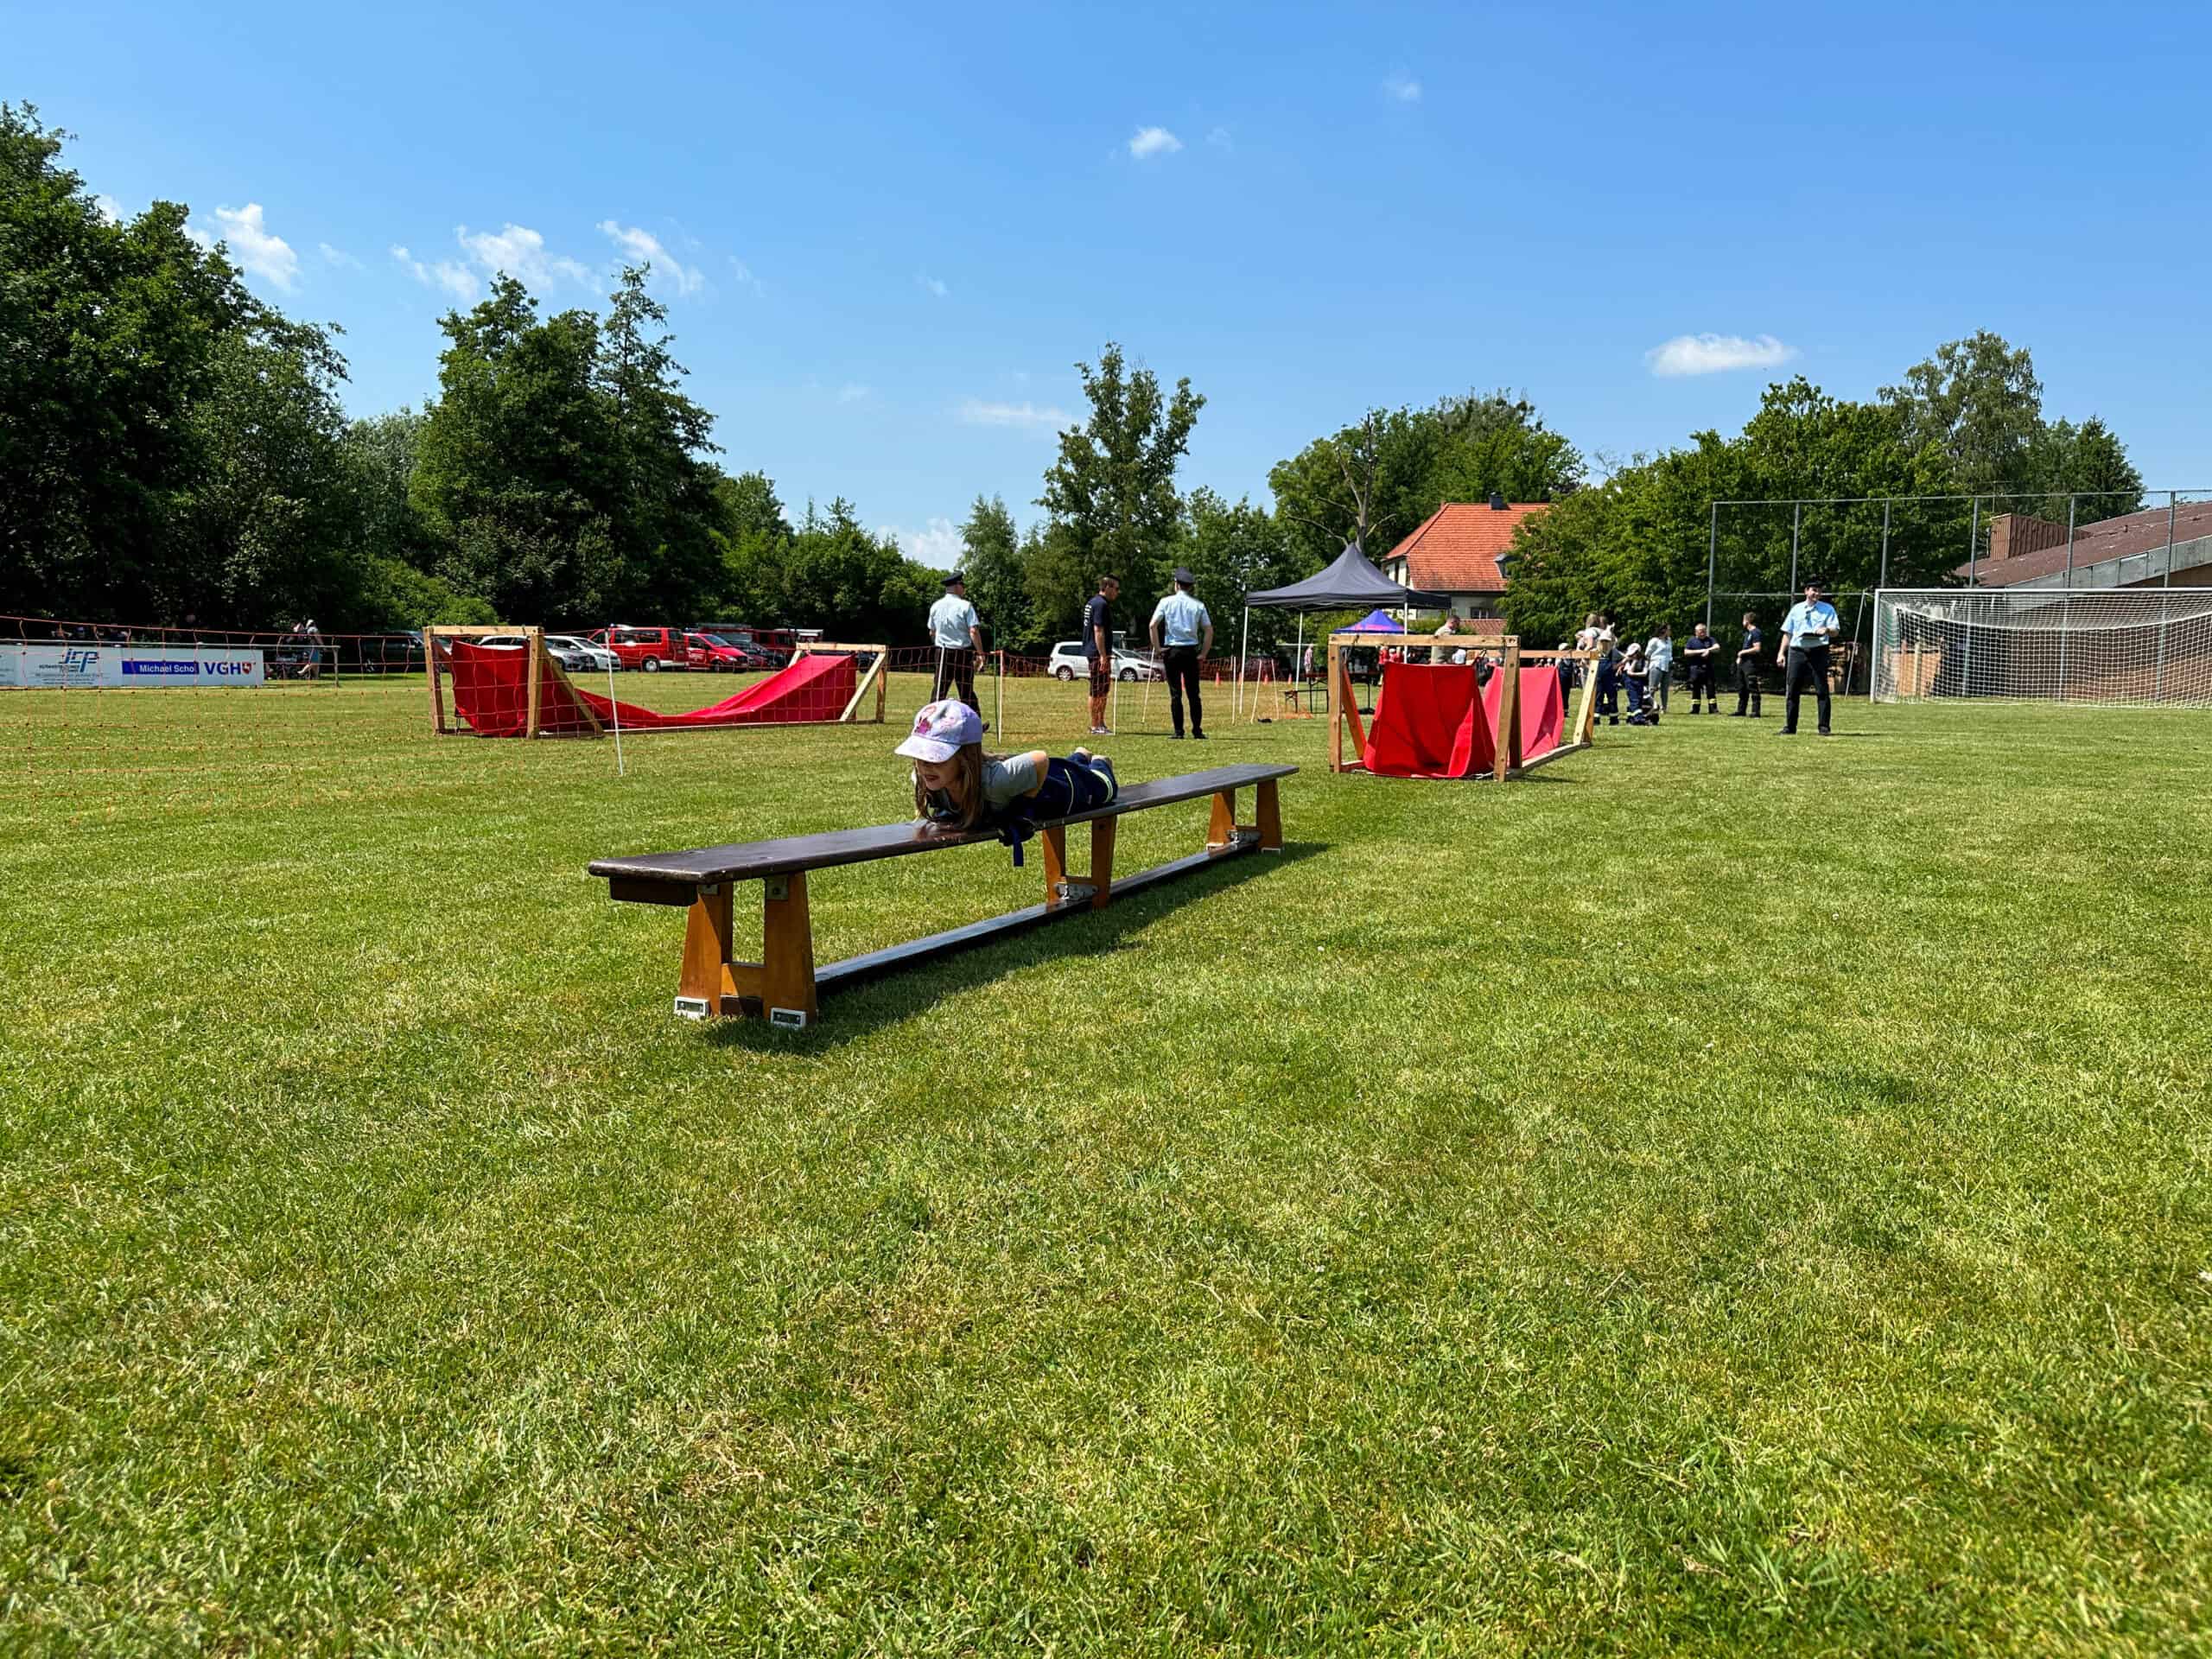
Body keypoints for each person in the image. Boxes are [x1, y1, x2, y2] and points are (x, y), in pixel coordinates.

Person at [899, 699, 1117, 856]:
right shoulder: (924, 778)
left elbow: (1041, 760)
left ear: (965, 758)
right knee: (1071, 765)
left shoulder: (995, 783)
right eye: (919, 756)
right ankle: (1079, 755)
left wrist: (1024, 810)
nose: (924, 765)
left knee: (1104, 789)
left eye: (936, 758)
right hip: (1032, 778)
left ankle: (1099, 762)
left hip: (1062, 788)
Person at [1148, 566, 1213, 740]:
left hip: (1172, 651)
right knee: (1194, 693)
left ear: (1176, 584)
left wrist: (1158, 648)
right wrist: (1203, 653)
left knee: (1175, 693)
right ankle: (1197, 730)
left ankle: (1178, 731)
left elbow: (1152, 625)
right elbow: (1209, 630)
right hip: (1190, 651)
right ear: (1190, 586)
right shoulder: (1198, 605)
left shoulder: (1165, 602)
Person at [1776, 581, 1840, 736]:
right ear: (1806, 591)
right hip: (1797, 651)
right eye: (1814, 590)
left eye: (1819, 591)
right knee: (1793, 689)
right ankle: (1790, 727)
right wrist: (1781, 653)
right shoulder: (1796, 609)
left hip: (1818, 651)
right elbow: (1788, 633)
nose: (1817, 594)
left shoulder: (1828, 609)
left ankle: (1824, 727)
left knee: (1822, 689)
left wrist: (1827, 630)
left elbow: (1836, 631)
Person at [927, 572, 984, 713]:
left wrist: (938, 645)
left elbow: (932, 632)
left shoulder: (935, 606)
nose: (964, 588)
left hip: (942, 652)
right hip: (962, 654)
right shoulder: (966, 606)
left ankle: (929, 721)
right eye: (963, 585)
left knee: (939, 690)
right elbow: (973, 631)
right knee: (966, 691)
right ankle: (975, 722)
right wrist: (981, 654)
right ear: (957, 586)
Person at [1083, 574, 1119, 735]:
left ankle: (1100, 723)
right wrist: (1103, 656)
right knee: (1098, 691)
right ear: (1107, 587)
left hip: (1095, 652)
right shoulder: (1101, 604)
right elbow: (1098, 630)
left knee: (1101, 690)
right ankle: (1096, 725)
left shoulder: (1092, 602)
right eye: (1116, 588)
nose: (1117, 592)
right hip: (1097, 654)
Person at [1681, 622, 1720, 713]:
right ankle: (1695, 709)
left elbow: (1717, 647)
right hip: (1696, 669)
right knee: (1696, 689)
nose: (1703, 633)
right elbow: (1686, 652)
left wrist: (1708, 650)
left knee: (1711, 689)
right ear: (1696, 632)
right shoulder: (1691, 641)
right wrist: (1700, 651)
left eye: (1704, 631)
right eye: (1701, 632)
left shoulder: (1710, 640)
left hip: (1708, 668)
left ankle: (1713, 709)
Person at [1732, 612, 1764, 717]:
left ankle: (1755, 711)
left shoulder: (1756, 632)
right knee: (1742, 687)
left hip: (1751, 664)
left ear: (1747, 621)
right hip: (1743, 663)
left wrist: (1742, 652)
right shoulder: (1747, 633)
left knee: (1752, 686)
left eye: (1743, 620)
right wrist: (1740, 657)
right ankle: (1741, 710)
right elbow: (1746, 647)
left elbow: (1757, 648)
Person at [1643, 624, 1674, 714]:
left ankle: (1664, 708)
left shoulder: (1669, 640)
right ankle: (1649, 706)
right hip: (1656, 665)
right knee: (1652, 688)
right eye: (1669, 630)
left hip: (1667, 666)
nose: (1670, 631)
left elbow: (1670, 653)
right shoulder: (1654, 641)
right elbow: (1647, 654)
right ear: (1664, 630)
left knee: (1665, 688)